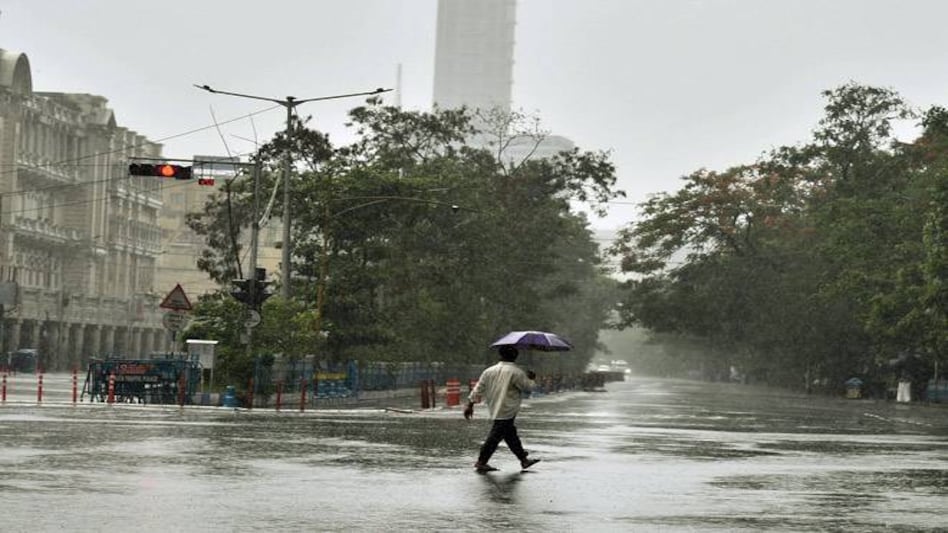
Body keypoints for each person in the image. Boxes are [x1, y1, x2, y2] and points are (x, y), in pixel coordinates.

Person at [463, 345, 541, 473]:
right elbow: (528, 388)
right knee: (495, 437)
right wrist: (531, 379)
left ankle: (523, 459)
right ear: (515, 356)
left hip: (494, 406)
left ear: (500, 355)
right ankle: (481, 462)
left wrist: (470, 404)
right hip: (508, 408)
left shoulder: (489, 371)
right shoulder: (516, 372)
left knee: (510, 435)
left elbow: (478, 388)